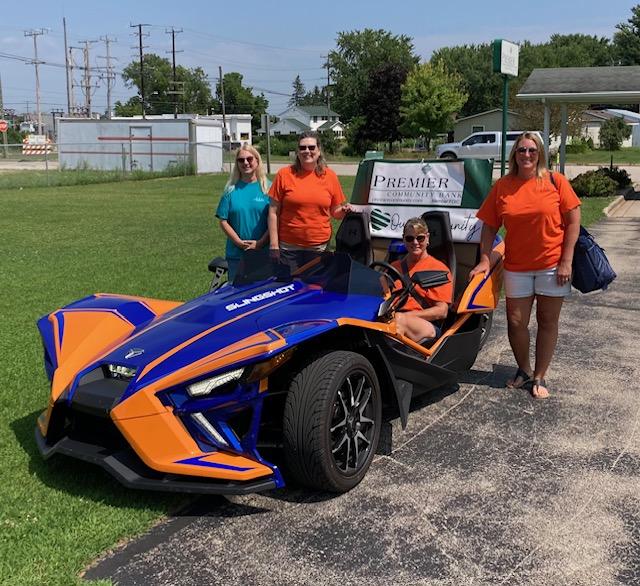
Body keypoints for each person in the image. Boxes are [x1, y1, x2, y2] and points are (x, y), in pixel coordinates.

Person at [469, 132, 581, 399]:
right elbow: (489, 226)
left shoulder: (556, 181)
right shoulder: (503, 186)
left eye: (532, 150)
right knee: (516, 321)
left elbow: (574, 221)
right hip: (516, 266)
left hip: (552, 265)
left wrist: (567, 260)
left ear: (540, 153)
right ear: (514, 155)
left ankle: (540, 376)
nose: (527, 155)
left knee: (547, 320)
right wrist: (485, 259)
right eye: (522, 150)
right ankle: (524, 370)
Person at [268, 131, 352, 267]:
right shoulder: (284, 175)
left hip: (319, 248)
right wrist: (274, 244)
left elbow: (335, 212)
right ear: (297, 152)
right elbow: (273, 212)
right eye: (302, 148)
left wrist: (344, 210)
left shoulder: (330, 176)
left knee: (316, 287)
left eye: (311, 147)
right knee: (289, 287)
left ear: (319, 151)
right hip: (289, 249)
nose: (307, 151)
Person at [391, 218, 453, 343]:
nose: (415, 242)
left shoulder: (439, 269)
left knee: (397, 321)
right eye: (409, 238)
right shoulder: (394, 267)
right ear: (403, 239)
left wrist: (407, 316)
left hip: (426, 325)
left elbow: (442, 311)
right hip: (394, 318)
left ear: (427, 238)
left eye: (420, 238)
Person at [215, 144, 270, 281]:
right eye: (241, 160)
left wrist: (261, 243)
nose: (245, 163)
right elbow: (223, 220)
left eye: (249, 159)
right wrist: (238, 242)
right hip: (236, 255)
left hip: (263, 254)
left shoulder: (269, 188)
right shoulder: (230, 189)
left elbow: (276, 220)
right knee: (237, 296)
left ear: (257, 161)